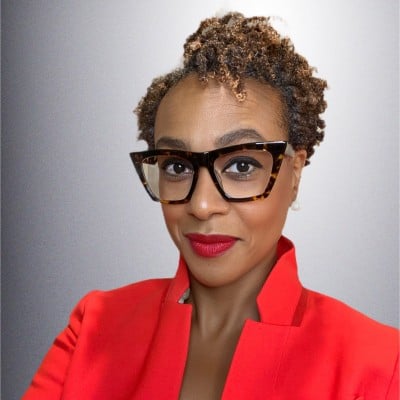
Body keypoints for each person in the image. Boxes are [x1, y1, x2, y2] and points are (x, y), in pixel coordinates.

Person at [23, 12, 398, 400]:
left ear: (295, 172)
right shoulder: (94, 328)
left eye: (241, 165)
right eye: (177, 166)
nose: (201, 205)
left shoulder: (381, 365)